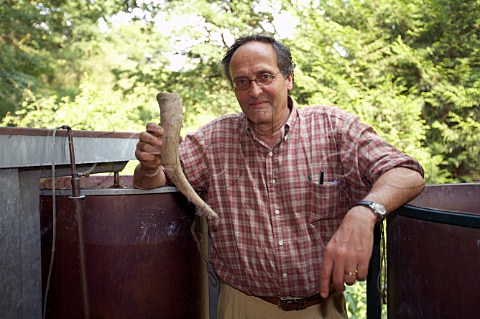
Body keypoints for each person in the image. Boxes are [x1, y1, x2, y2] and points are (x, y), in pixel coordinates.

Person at [133, 34, 425, 319]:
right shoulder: (213, 139)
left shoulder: (334, 129)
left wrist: (364, 213)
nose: (255, 91)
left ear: (288, 79)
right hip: (242, 306)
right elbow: (159, 180)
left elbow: (407, 173)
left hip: (321, 308)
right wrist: (148, 167)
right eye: (242, 82)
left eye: (265, 77)